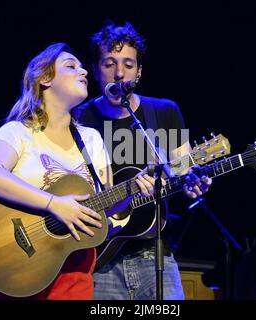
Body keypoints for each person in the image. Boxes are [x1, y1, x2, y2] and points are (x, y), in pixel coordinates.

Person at [0, 42, 149, 300]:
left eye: (82, 67)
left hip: (74, 277)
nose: (84, 72)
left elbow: (104, 206)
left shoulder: (91, 140)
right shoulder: (18, 132)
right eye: (71, 66)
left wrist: (133, 188)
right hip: (18, 267)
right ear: (45, 78)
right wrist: (53, 204)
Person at [74, 22, 212, 300]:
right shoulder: (78, 119)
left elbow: (183, 170)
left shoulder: (163, 111)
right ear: (96, 69)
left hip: (155, 255)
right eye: (109, 63)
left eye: (128, 64)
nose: (119, 73)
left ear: (139, 72)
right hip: (100, 259)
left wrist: (194, 182)